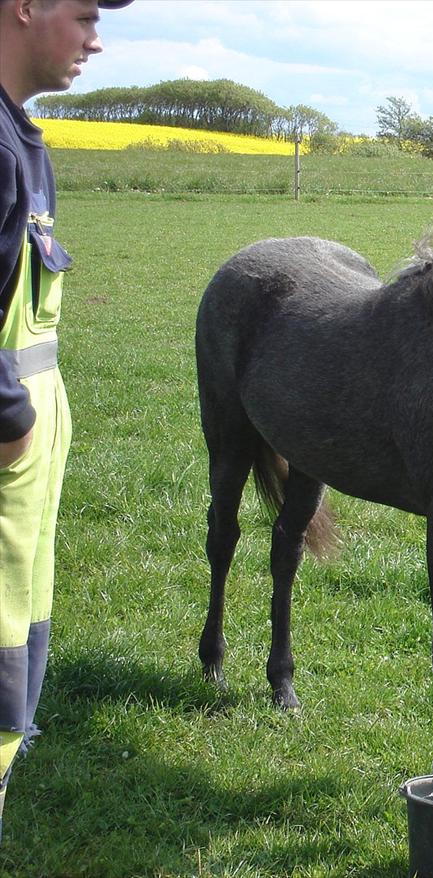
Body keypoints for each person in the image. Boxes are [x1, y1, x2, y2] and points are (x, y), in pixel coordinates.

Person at [0, 0, 132, 840]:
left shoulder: (19, 138)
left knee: (18, 649)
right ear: (22, 7)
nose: (96, 38)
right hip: (7, 453)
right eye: (82, 13)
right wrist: (12, 418)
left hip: (25, 470)